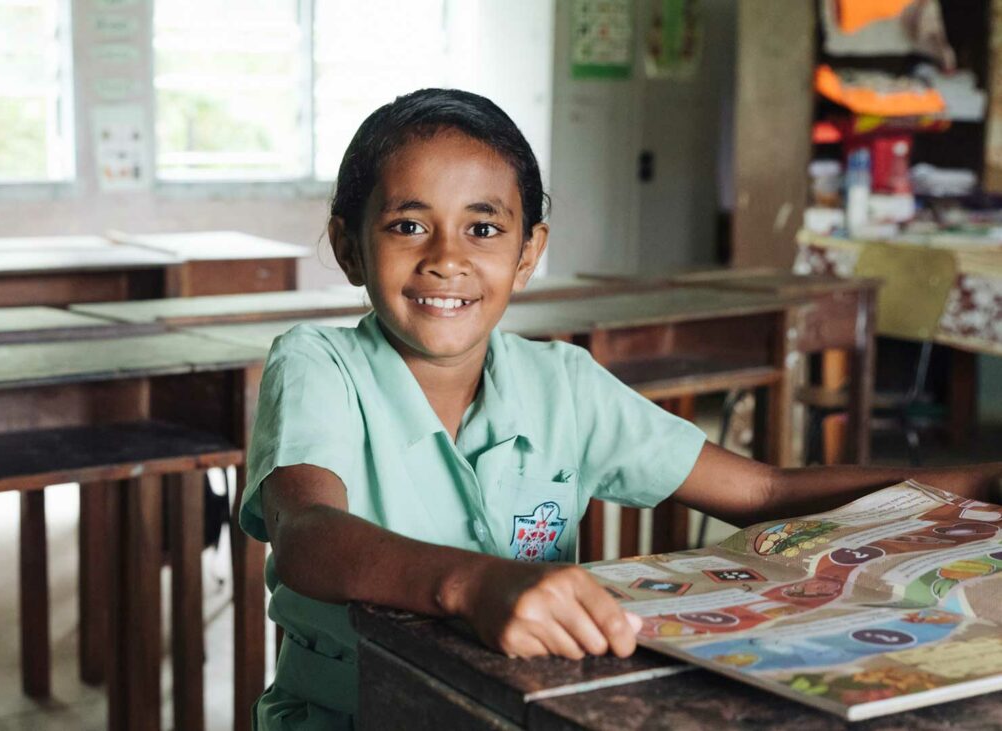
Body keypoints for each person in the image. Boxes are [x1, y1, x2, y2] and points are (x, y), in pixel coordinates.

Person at [237, 88, 1002, 730]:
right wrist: (473, 582)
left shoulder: (562, 382)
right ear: (347, 246)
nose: (447, 256)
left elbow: (763, 492)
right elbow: (309, 536)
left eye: (483, 227)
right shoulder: (317, 362)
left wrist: (969, 483)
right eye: (408, 224)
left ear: (528, 251)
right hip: (349, 715)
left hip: (521, 705)